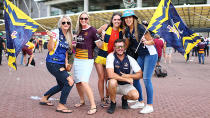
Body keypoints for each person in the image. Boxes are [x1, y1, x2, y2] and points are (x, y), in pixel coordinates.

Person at [122, 10, 158, 114]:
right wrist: (121, 50)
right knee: (136, 77)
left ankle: (150, 105)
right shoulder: (128, 30)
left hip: (150, 55)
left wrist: (146, 42)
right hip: (141, 56)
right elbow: (127, 44)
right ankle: (140, 101)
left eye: (130, 17)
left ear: (134, 18)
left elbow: (152, 41)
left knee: (146, 79)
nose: (128, 19)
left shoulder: (141, 28)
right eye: (126, 18)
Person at [40, 15, 74, 113]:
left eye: (68, 22)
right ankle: (61, 105)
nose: (66, 24)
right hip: (53, 62)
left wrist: (66, 64)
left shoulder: (69, 35)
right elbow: (50, 48)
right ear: (60, 24)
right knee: (69, 82)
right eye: (63, 22)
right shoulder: (56, 32)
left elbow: (66, 52)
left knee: (62, 85)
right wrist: (51, 37)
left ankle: (44, 98)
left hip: (60, 64)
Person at [73, 12, 101, 115]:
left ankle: (93, 105)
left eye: (85, 18)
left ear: (88, 19)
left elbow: (100, 45)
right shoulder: (77, 30)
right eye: (81, 19)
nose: (83, 20)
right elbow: (75, 45)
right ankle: (82, 100)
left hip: (87, 59)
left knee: (84, 82)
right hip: (77, 58)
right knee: (78, 82)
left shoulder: (92, 30)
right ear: (79, 19)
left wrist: (101, 38)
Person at [95, 12, 124, 107]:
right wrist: (100, 39)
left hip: (110, 58)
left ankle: (107, 97)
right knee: (101, 78)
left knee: (108, 79)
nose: (117, 21)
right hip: (100, 56)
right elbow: (94, 33)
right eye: (115, 19)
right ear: (112, 20)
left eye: (119, 19)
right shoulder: (105, 27)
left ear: (121, 21)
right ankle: (102, 99)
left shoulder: (121, 31)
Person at [106, 39, 142, 114]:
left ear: (125, 47)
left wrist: (128, 75)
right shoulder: (110, 57)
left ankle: (124, 98)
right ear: (114, 48)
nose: (120, 49)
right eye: (118, 47)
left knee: (135, 96)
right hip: (114, 85)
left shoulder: (130, 58)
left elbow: (140, 74)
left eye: (122, 46)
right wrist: (126, 79)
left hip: (126, 86)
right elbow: (110, 74)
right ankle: (113, 103)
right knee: (112, 81)